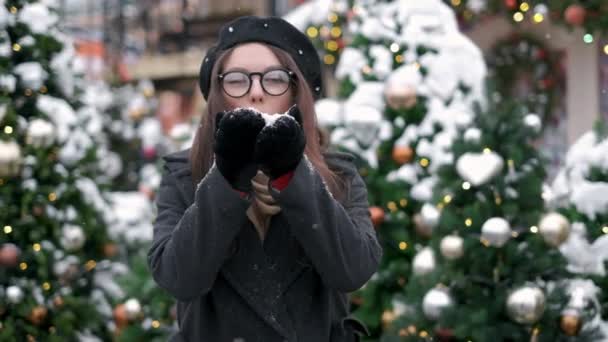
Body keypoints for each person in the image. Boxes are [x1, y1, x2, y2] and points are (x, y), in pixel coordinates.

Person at [147, 15, 382, 342]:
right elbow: (178, 278)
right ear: (218, 94)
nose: (256, 92)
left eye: (273, 79)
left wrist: (294, 177)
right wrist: (227, 180)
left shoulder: (338, 175)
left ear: (296, 91)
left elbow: (353, 271)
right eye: (237, 80)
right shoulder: (185, 176)